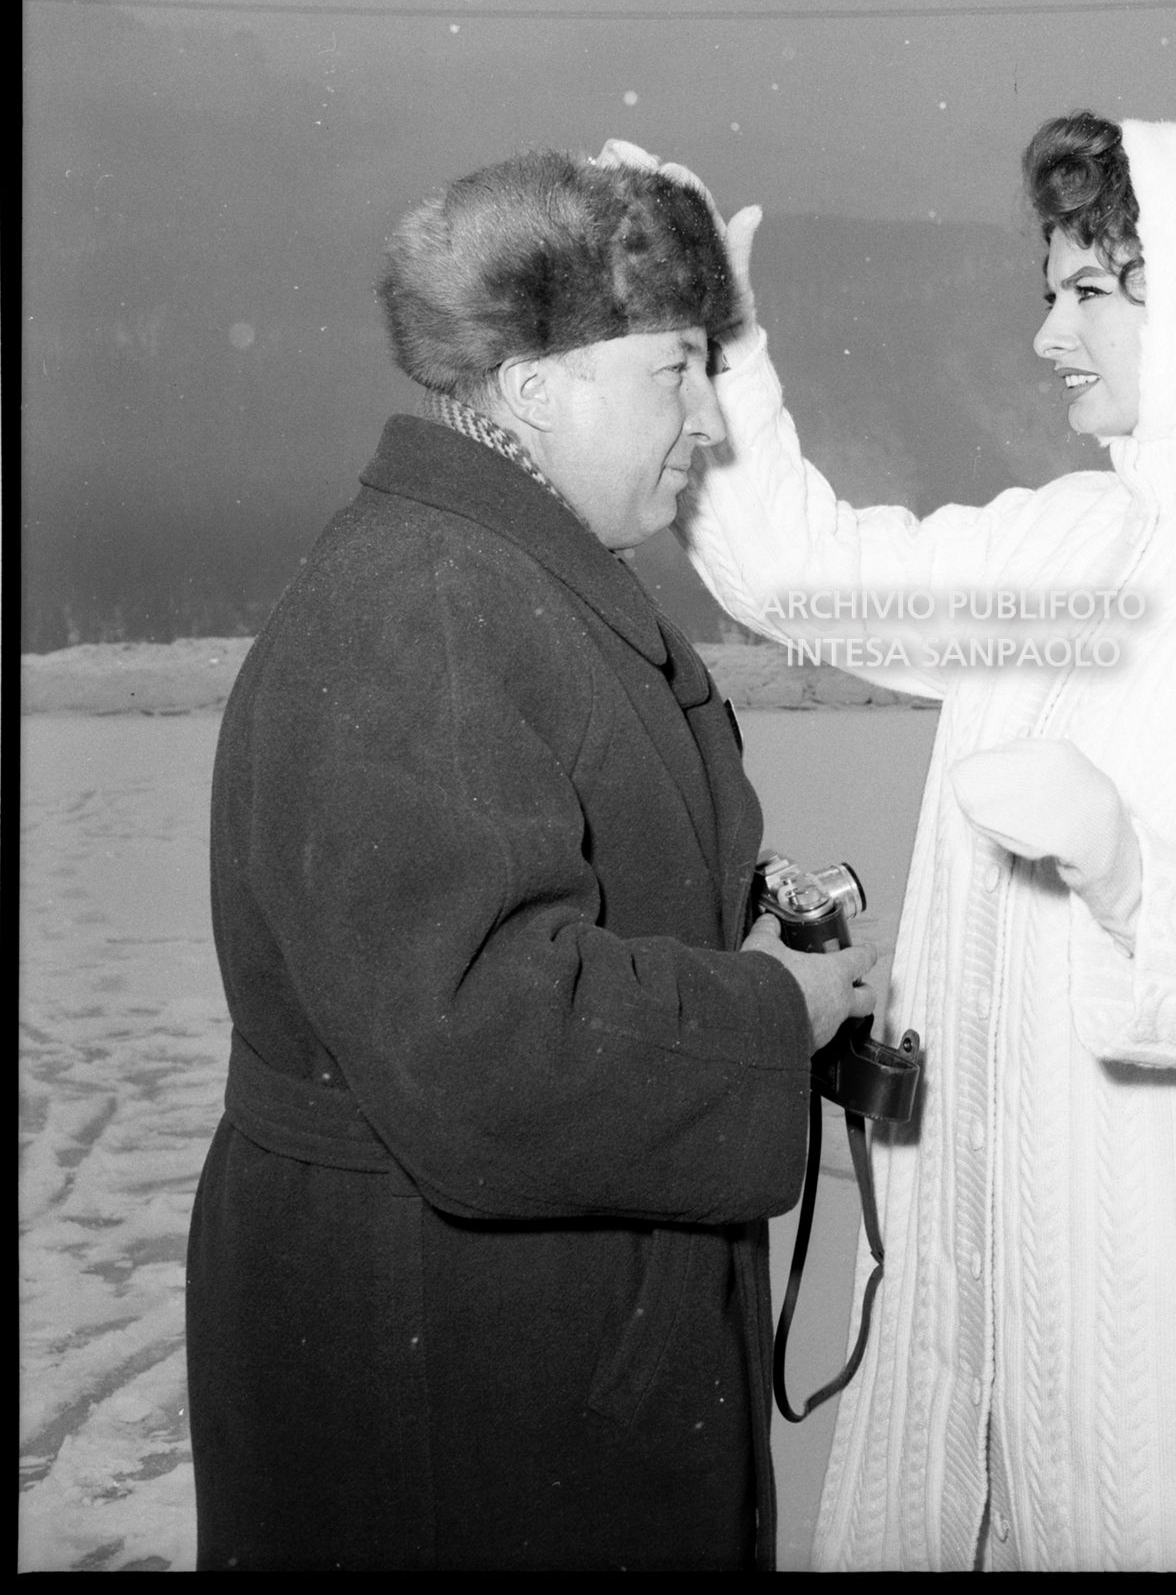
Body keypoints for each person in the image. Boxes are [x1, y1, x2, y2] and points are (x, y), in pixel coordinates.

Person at [645, 112, 1176, 1571]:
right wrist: (724, 349)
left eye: (1091, 291)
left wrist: (1136, 875)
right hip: (977, 1263)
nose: (1047, 334)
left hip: (1169, 1317)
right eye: (1052, 288)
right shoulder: (1074, 549)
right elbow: (809, 577)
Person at [184, 147, 878, 1571]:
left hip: (518, 1339)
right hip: (458, 1387)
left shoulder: (504, 574)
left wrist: (726, 910)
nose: (709, 426)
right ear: (533, 381)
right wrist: (767, 1013)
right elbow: (483, 1044)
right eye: (673, 372)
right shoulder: (430, 605)